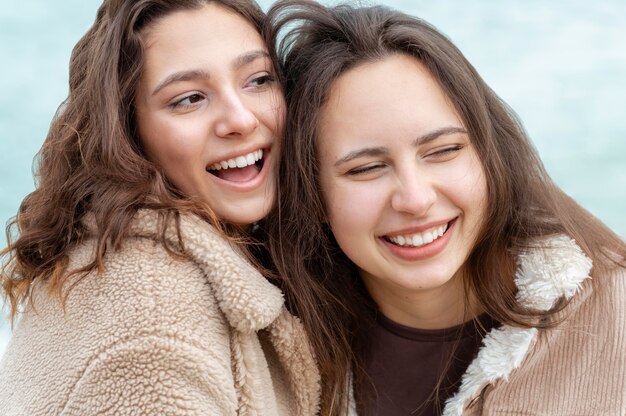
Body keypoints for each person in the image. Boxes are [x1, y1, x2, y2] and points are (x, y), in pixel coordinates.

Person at [264, 1, 626, 415]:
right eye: (365, 168)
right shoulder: (272, 341)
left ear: (490, 156)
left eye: (444, 150)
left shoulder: (615, 315)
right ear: (311, 193)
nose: (416, 199)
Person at [0, 1, 320, 415]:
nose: (239, 119)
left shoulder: (114, 254)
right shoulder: (153, 331)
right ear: (128, 135)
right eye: (188, 99)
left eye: (258, 79)